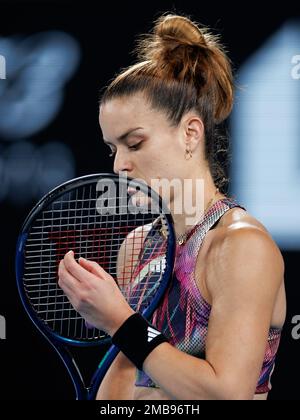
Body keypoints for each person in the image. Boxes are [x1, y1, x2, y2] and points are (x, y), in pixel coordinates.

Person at [58, 14, 286, 400]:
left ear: (190, 134)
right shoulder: (136, 249)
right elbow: (125, 386)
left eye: (135, 143)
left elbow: (227, 393)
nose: (118, 166)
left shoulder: (242, 246)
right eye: (112, 149)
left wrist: (119, 322)